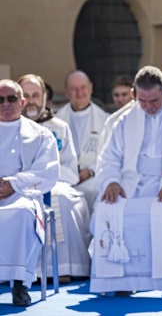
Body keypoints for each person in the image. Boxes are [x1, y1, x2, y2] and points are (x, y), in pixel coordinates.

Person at [89, 66, 162, 296]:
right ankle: (122, 281)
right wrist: (112, 181)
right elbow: (109, 157)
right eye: (142, 101)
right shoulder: (125, 119)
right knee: (109, 210)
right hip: (131, 183)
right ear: (135, 94)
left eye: (153, 100)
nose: (148, 107)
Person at [18, 74, 91, 281]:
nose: (31, 100)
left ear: (44, 97)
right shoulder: (8, 127)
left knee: (64, 200)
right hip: (20, 186)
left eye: (35, 95)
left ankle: (66, 267)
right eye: (26, 95)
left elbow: (70, 168)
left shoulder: (59, 127)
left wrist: (45, 178)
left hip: (56, 183)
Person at [0, 79, 59, 307]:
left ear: (22, 101)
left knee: (23, 213)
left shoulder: (41, 135)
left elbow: (47, 172)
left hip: (22, 194)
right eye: (0, 99)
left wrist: (13, 184)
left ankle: (20, 283)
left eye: (12, 98)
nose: (6, 103)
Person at [55, 70, 109, 211]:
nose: (79, 93)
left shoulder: (105, 120)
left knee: (94, 191)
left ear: (90, 88)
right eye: (73, 89)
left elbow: (110, 155)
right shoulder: (56, 121)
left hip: (91, 177)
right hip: (64, 178)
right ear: (66, 92)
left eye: (83, 87)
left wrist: (90, 171)